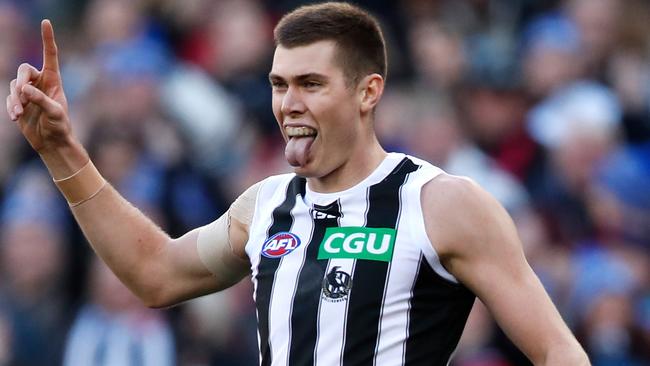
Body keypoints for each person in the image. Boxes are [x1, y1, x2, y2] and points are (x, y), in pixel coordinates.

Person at [5, 2, 589, 365]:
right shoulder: (266, 204)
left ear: (368, 92)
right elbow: (154, 274)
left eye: (311, 83)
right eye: (279, 84)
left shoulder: (441, 202)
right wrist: (61, 149)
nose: (288, 103)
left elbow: (557, 351)